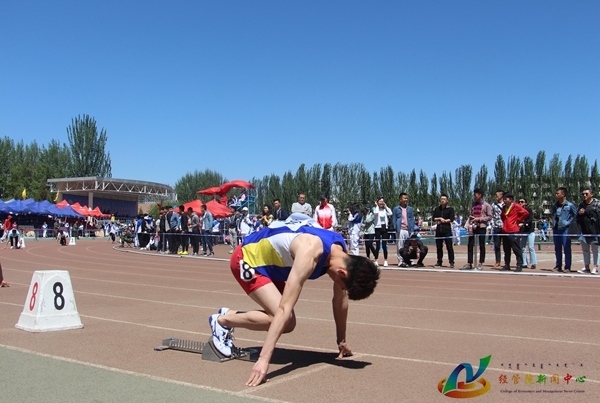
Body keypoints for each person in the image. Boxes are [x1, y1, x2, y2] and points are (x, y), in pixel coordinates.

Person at [207, 216, 380, 387]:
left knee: (286, 321)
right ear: (342, 272)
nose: (340, 287)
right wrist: (263, 360)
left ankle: (228, 315)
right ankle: (222, 321)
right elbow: (284, 309)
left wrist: (341, 340)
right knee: (287, 321)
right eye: (343, 286)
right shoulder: (309, 253)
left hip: (272, 267)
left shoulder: (340, 249)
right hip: (247, 259)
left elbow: (339, 301)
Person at [461, 189, 492, 271]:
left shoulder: (487, 205)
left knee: (482, 245)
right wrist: (470, 222)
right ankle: (469, 263)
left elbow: (489, 217)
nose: (474, 196)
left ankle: (480, 263)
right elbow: (471, 214)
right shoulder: (473, 205)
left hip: (481, 227)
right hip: (473, 227)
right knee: (470, 244)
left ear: (480, 195)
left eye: (475, 195)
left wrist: (479, 219)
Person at [500, 193, 529, 272]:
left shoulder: (516, 206)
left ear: (511, 200)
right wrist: (505, 223)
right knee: (506, 249)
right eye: (504, 199)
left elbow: (525, 213)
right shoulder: (504, 207)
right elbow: (502, 216)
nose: (504, 200)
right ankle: (507, 264)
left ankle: (519, 265)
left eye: (506, 199)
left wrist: (518, 220)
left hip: (513, 230)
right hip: (505, 230)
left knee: (516, 248)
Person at [551, 187, 577, 272]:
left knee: (566, 248)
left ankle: (567, 266)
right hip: (556, 229)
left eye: (558, 193)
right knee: (557, 248)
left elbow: (575, 216)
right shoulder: (555, 205)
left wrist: (567, 222)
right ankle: (558, 265)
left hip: (565, 230)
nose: (556, 195)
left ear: (563, 194)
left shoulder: (569, 205)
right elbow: (553, 215)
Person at [576, 187, 600, 275]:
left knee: (595, 249)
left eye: (586, 194)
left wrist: (587, 212)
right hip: (584, 230)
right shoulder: (581, 204)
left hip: (594, 230)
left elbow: (597, 214)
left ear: (591, 194)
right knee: (585, 249)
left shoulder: (597, 203)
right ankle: (586, 267)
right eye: (583, 194)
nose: (584, 195)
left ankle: (596, 267)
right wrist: (579, 213)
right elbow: (577, 215)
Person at [392, 193, 415, 267]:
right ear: (400, 199)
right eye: (404, 198)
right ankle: (400, 261)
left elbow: (412, 219)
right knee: (400, 246)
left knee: (409, 246)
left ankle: (409, 260)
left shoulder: (410, 209)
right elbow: (394, 219)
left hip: (408, 229)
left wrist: (412, 228)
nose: (406, 200)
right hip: (400, 229)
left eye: (407, 198)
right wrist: (396, 227)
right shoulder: (396, 209)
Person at [432, 194, 455, 268]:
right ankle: (439, 261)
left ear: (447, 200)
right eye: (441, 199)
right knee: (439, 247)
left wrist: (444, 221)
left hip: (447, 230)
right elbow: (434, 218)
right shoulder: (437, 209)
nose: (442, 200)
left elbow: (451, 219)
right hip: (439, 230)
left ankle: (451, 261)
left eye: (444, 199)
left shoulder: (450, 209)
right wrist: (439, 218)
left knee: (449, 247)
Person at [372, 197, 393, 267]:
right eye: (380, 201)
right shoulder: (375, 208)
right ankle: (376, 260)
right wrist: (377, 206)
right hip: (378, 227)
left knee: (384, 245)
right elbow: (376, 213)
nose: (381, 203)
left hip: (385, 227)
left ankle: (385, 260)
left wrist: (386, 206)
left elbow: (390, 213)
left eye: (382, 201)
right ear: (377, 202)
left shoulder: (385, 210)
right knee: (377, 245)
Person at [518, 198, 537, 269]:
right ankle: (524, 263)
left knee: (531, 247)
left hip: (530, 231)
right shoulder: (518, 210)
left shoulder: (528, 210)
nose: (520, 203)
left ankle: (533, 263)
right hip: (522, 232)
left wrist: (523, 224)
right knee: (522, 248)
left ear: (525, 203)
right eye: (519, 202)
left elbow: (530, 219)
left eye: (522, 202)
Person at [490, 190, 505, 268]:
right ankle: (497, 261)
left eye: (497, 195)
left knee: (506, 245)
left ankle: (507, 262)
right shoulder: (493, 205)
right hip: (496, 227)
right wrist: (492, 225)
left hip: (505, 227)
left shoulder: (505, 204)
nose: (495, 196)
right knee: (497, 245)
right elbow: (491, 215)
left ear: (501, 195)